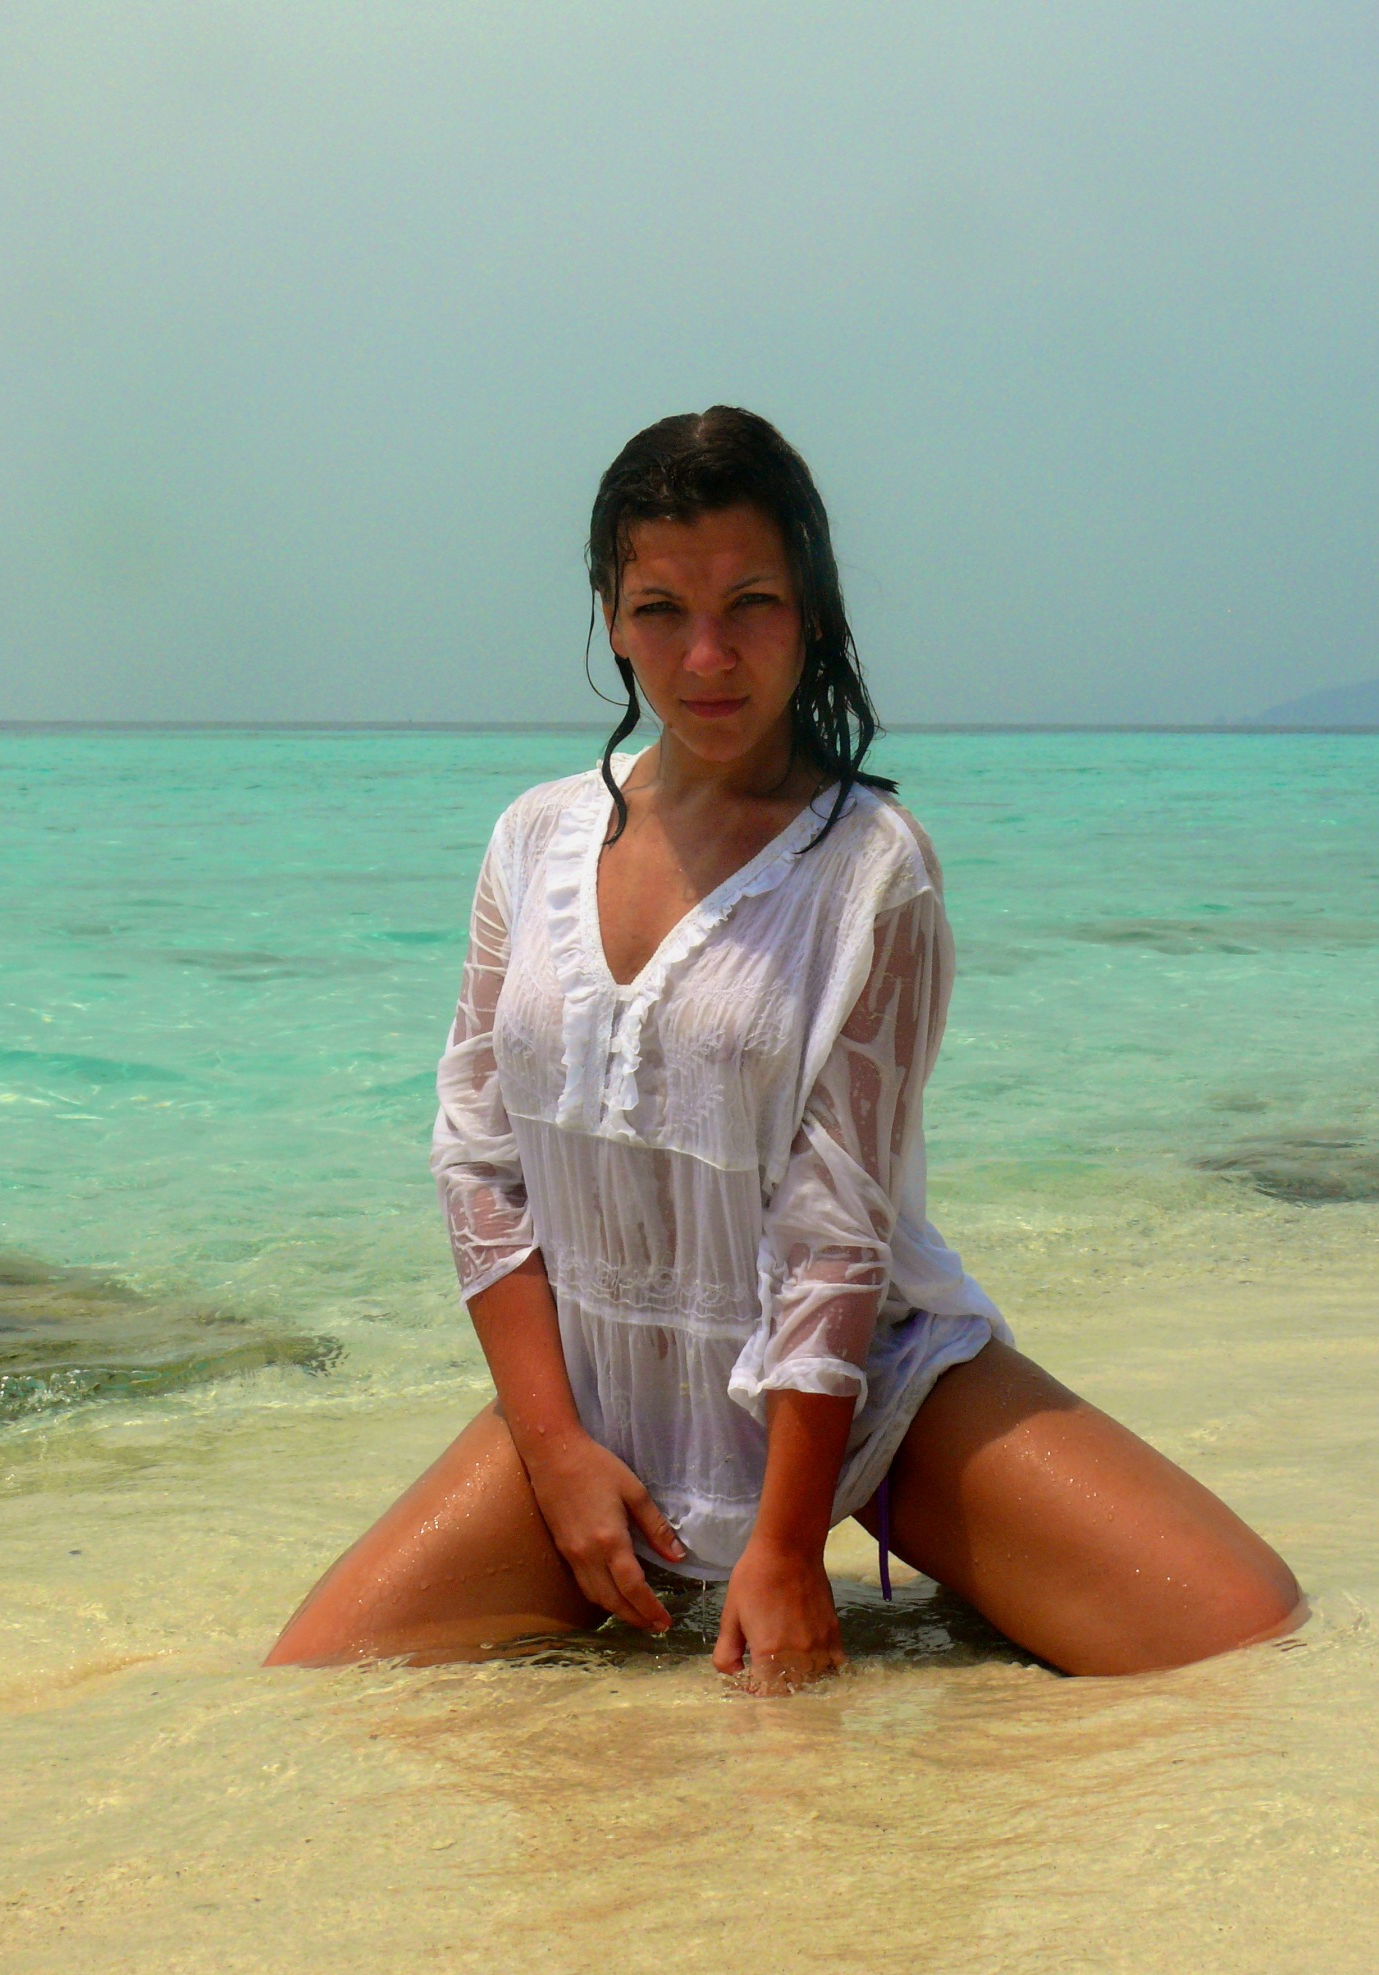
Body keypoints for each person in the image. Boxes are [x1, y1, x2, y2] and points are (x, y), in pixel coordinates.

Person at [267, 407, 1302, 1693]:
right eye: (660, 609)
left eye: (749, 603)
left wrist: (789, 1546)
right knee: (313, 1689)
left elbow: (833, 1230)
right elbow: (477, 1164)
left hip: (863, 1402)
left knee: (1243, 1635)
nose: (706, 656)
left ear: (811, 610)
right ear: (610, 618)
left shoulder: (872, 869)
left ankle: (940, 1607)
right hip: (600, 1406)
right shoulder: (532, 839)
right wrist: (553, 1453)